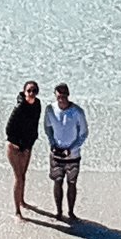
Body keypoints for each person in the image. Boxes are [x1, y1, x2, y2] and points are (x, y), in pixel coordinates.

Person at [44, 83, 88, 226]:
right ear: (55, 95)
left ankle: (71, 212)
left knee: (72, 183)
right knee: (57, 181)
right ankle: (58, 211)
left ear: (68, 95)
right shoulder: (50, 109)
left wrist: (72, 148)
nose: (61, 98)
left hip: (73, 155)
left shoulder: (77, 112)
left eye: (64, 95)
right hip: (56, 154)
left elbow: (84, 133)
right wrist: (52, 143)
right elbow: (47, 127)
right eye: (59, 96)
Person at [4, 81, 42, 217]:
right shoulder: (20, 107)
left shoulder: (37, 104)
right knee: (18, 178)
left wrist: (29, 145)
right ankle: (17, 211)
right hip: (14, 147)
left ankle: (22, 201)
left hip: (26, 146)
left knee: (23, 176)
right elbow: (8, 129)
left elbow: (34, 126)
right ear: (24, 92)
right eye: (29, 91)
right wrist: (18, 144)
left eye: (34, 90)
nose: (31, 93)